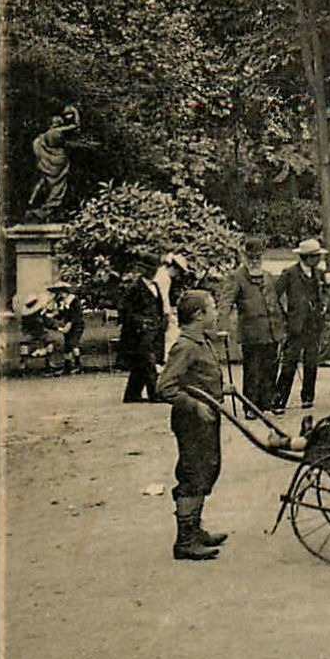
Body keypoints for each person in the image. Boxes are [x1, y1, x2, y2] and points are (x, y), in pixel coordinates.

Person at [154, 290, 232, 561]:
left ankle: (195, 529)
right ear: (199, 315)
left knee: (208, 469)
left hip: (206, 418)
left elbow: (198, 377)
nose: (217, 312)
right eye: (212, 308)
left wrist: (222, 389)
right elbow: (165, 387)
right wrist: (196, 405)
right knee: (193, 473)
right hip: (192, 421)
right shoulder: (185, 346)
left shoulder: (200, 341)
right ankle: (185, 541)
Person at [215, 236, 286, 418]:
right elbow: (225, 304)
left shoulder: (268, 277)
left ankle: (267, 403)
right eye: (251, 257)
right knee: (253, 370)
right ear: (245, 257)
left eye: (258, 257)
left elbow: (276, 302)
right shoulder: (236, 277)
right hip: (252, 333)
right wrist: (222, 327)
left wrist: (283, 326)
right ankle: (251, 407)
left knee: (271, 369)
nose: (255, 261)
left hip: (272, 331)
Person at [274, 238, 328, 412]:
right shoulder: (289, 273)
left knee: (311, 363)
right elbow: (274, 296)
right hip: (296, 326)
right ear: (307, 257)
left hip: (314, 325)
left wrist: (322, 307)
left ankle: (307, 398)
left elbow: (324, 294)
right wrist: (285, 317)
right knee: (289, 363)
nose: (319, 259)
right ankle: (279, 400)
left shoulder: (319, 273)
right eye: (316, 256)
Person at [118, 250, 167, 404]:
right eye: (149, 269)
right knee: (148, 361)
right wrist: (140, 322)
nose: (152, 272)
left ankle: (132, 394)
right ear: (142, 269)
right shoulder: (134, 287)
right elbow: (124, 308)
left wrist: (161, 323)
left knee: (140, 365)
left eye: (154, 269)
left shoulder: (156, 286)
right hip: (138, 333)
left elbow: (158, 307)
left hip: (153, 330)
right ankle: (155, 393)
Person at [44, 280, 85, 374]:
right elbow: (61, 315)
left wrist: (69, 323)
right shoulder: (61, 302)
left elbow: (77, 315)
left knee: (73, 343)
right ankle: (68, 366)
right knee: (67, 346)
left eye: (60, 291)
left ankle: (78, 365)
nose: (59, 294)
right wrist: (53, 315)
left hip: (76, 324)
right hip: (68, 324)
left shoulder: (73, 300)